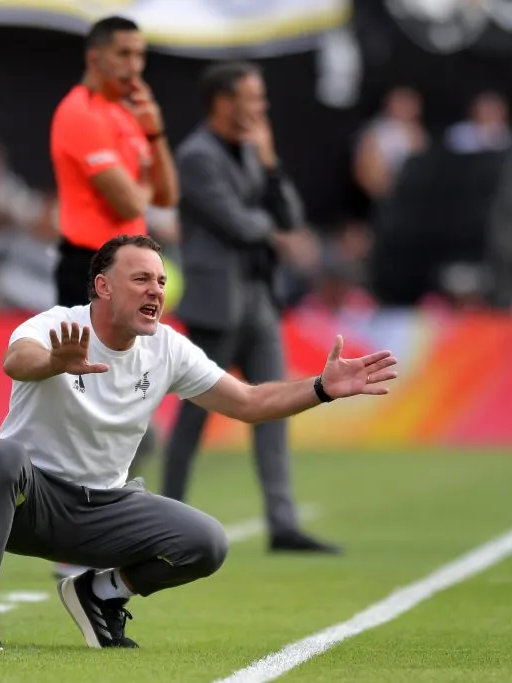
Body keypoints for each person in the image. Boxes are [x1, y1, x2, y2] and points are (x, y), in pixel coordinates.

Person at [0, 234, 398, 651]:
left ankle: (100, 594)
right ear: (102, 286)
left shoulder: (167, 348)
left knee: (206, 542)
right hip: (28, 507)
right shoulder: (58, 324)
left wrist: (321, 387)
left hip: (103, 512)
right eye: (142, 279)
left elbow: (248, 401)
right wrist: (55, 361)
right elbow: (16, 360)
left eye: (161, 281)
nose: (156, 291)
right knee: (1, 455)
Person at [162, 61, 340, 554]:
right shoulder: (197, 156)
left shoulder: (250, 152)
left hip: (258, 299)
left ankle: (282, 524)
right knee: (194, 417)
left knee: (276, 407)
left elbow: (291, 216)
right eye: (253, 99)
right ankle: (165, 514)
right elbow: (239, 224)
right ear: (223, 102)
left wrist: (271, 164)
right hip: (215, 304)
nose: (262, 109)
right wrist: (271, 227)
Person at [47, 14, 179, 577]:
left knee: (121, 401)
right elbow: (128, 200)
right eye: (124, 55)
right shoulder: (78, 114)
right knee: (82, 402)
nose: (134, 67)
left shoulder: (126, 116)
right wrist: (143, 173)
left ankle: (90, 532)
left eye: (140, 56)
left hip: (124, 268)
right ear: (95, 57)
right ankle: (69, 538)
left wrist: (154, 133)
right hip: (88, 267)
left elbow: (164, 195)